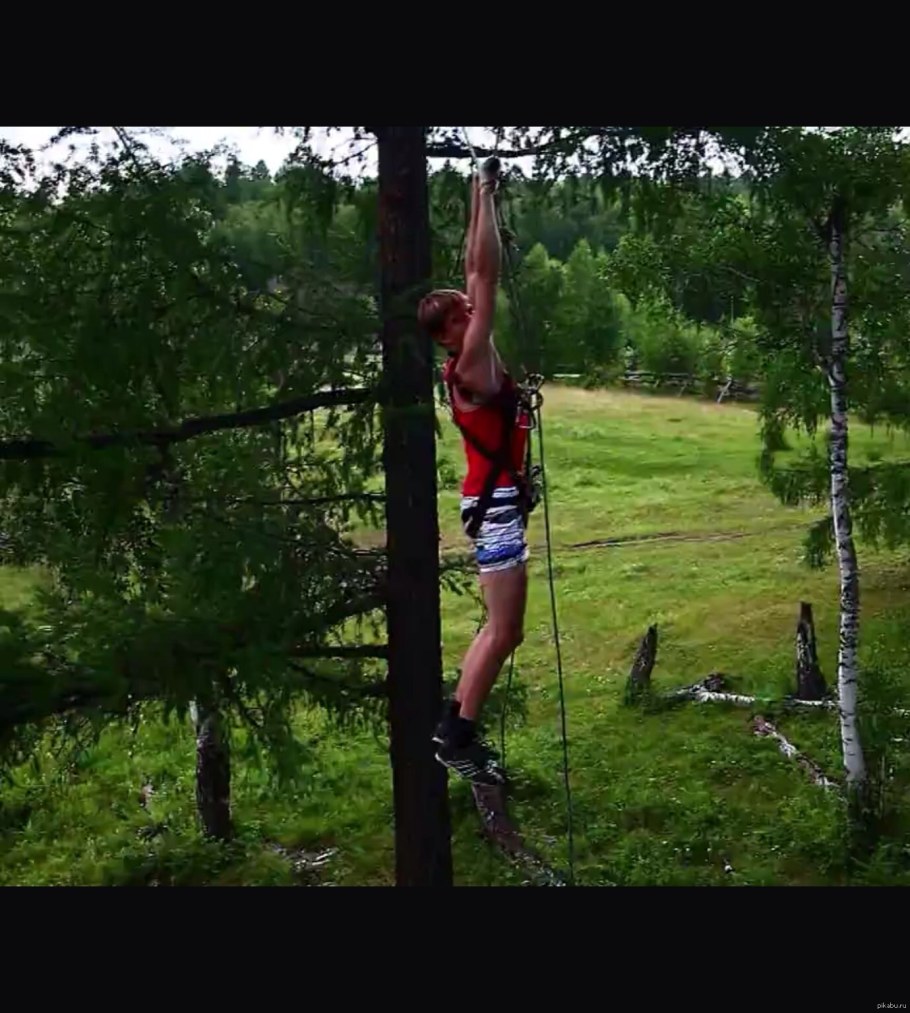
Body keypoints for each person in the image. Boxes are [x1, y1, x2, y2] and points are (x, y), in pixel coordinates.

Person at [417, 158, 531, 786]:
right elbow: (481, 271)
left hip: (492, 504)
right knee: (507, 628)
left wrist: (475, 193)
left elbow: (473, 270)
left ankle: (451, 723)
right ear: (449, 334)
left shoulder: (469, 361)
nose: (472, 307)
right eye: (462, 312)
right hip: (496, 508)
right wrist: (485, 190)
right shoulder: (470, 363)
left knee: (500, 625)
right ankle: (458, 739)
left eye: (468, 307)